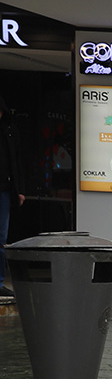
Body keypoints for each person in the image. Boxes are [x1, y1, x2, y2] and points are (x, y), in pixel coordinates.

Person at [0, 95, 25, 297]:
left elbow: (16, 161)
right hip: (5, 189)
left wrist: (19, 189)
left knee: (1, 238)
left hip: (4, 190)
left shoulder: (9, 131)